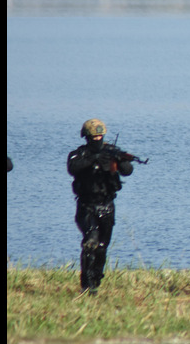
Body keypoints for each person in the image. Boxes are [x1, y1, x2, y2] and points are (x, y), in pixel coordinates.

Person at [67, 119, 139, 295]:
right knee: (90, 242)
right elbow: (73, 167)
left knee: (101, 246)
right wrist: (94, 158)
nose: (98, 139)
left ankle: (95, 282)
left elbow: (128, 170)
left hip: (107, 206)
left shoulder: (111, 153)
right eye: (94, 136)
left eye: (100, 136)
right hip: (86, 206)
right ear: (87, 137)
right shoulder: (79, 154)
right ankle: (86, 284)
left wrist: (120, 160)